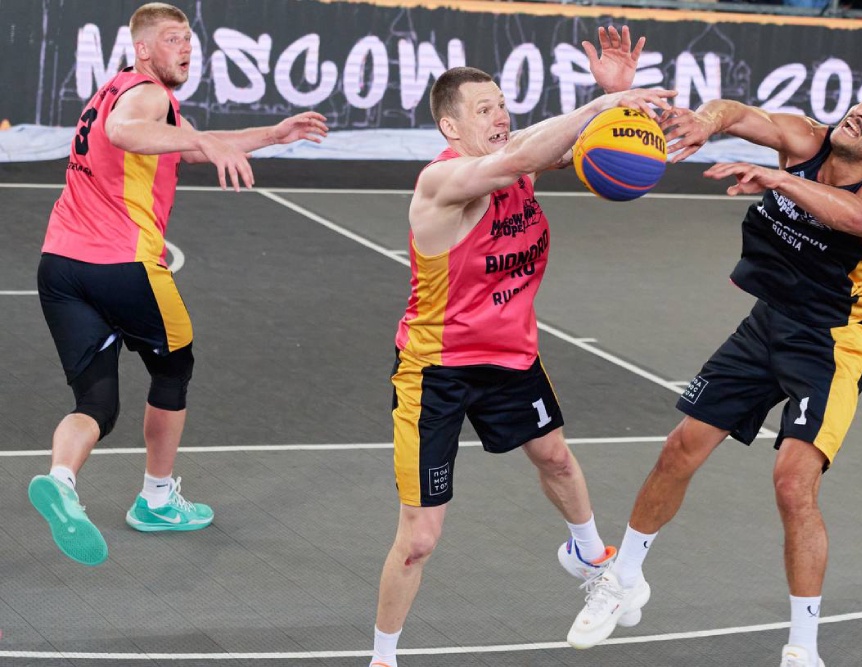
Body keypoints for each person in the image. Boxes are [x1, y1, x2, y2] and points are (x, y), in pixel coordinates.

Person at [567, 26, 862, 667]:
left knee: (792, 484)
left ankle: (802, 649)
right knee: (679, 449)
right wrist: (707, 122)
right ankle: (623, 579)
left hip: (830, 345)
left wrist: (779, 181)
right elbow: (738, 112)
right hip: (767, 325)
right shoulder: (807, 140)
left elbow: (859, 221)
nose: (860, 112)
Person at [366, 65, 675, 666]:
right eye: (484, 109)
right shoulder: (443, 182)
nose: (500, 116)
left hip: (511, 356)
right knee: (419, 539)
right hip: (437, 369)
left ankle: (591, 558)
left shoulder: (515, 166)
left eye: (502, 105)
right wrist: (600, 104)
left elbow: (556, 147)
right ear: (450, 126)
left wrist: (615, 107)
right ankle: (383, 658)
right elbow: (518, 156)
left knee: (555, 457)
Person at [28, 2, 328, 567]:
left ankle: (61, 481)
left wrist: (273, 133)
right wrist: (210, 144)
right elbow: (126, 131)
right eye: (171, 38)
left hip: (59, 265)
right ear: (142, 49)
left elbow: (184, 144)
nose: (185, 47)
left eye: (188, 38)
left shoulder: (115, 89)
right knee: (173, 368)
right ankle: (157, 499)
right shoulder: (147, 95)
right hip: (123, 265)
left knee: (95, 402)